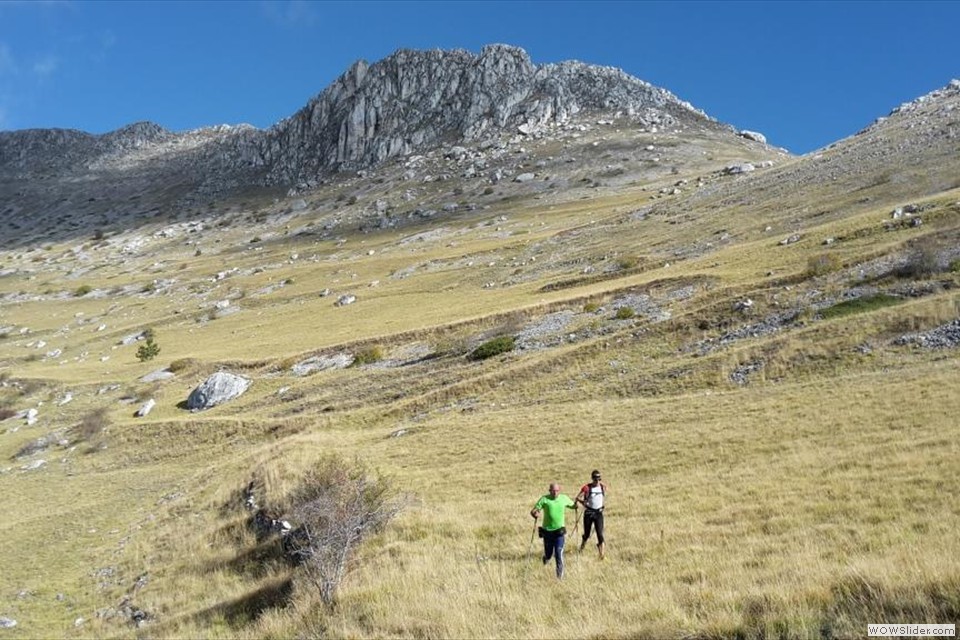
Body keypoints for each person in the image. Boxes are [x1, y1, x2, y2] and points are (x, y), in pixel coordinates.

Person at [530, 482, 578, 578]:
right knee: (548, 555)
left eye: (557, 491)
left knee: (558, 554)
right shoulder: (544, 499)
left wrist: (577, 503)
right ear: (550, 491)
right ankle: (545, 559)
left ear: (559, 490)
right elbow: (533, 510)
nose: (555, 493)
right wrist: (535, 514)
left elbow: (573, 506)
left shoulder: (564, 498)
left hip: (559, 531)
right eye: (553, 491)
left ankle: (559, 577)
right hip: (547, 531)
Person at [575, 469, 606, 560]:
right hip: (588, 513)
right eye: (596, 479)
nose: (597, 481)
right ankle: (582, 547)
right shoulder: (587, 488)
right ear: (592, 479)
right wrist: (582, 502)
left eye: (599, 479)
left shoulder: (603, 487)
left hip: (599, 513)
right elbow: (577, 497)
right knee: (587, 534)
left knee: (600, 533)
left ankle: (602, 555)